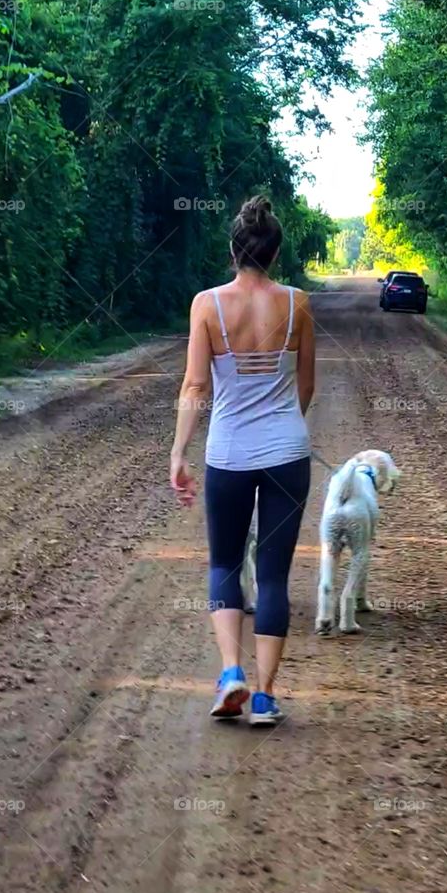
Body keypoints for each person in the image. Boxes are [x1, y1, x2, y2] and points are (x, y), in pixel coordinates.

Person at [170, 195, 315, 725]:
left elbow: (194, 385)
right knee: (274, 577)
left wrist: (179, 451)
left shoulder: (206, 304)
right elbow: (306, 386)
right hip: (288, 454)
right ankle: (265, 696)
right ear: (274, 253)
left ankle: (230, 672)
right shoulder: (299, 304)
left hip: (227, 454)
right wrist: (282, 427)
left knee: (225, 563)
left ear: (234, 250)